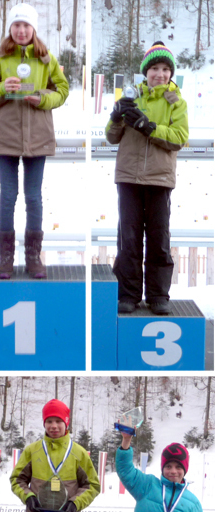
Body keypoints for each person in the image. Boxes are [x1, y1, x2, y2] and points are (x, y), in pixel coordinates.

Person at [0, 3, 68, 279]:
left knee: (34, 197)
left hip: (37, 136)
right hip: (6, 135)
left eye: (26, 25)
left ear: (33, 29)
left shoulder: (45, 58)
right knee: (8, 196)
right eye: (16, 25)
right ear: (10, 29)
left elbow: (62, 91)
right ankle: (6, 257)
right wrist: (2, 88)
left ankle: (33, 256)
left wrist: (43, 98)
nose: (21, 30)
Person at [106, 42, 188, 315]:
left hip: (159, 179)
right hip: (128, 177)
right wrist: (116, 116)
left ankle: (157, 295)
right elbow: (111, 136)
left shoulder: (176, 102)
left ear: (171, 73)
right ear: (145, 72)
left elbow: (179, 138)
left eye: (165, 69)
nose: (160, 74)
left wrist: (149, 127)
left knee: (159, 238)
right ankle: (128, 293)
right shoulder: (132, 96)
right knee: (128, 239)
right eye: (155, 68)